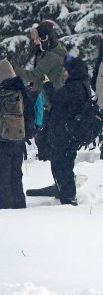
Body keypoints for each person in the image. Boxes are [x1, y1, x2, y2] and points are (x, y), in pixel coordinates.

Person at [0, 60, 32, 210]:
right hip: (18, 140)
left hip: (0, 140)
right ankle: (19, 206)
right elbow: (30, 114)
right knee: (16, 176)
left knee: (1, 177)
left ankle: (3, 209)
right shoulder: (22, 91)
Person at [15, 21, 66, 160]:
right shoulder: (52, 51)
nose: (35, 43)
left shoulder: (51, 56)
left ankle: (46, 156)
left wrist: (14, 71)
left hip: (49, 96)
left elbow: (35, 74)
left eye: (37, 39)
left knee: (45, 129)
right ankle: (46, 153)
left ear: (44, 39)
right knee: (45, 128)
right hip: (48, 94)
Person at [46, 57, 90, 205]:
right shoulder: (83, 85)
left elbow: (54, 97)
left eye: (67, 70)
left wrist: (47, 85)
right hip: (69, 134)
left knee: (62, 167)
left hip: (65, 135)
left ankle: (68, 200)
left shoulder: (75, 88)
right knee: (64, 166)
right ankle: (66, 195)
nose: (65, 73)